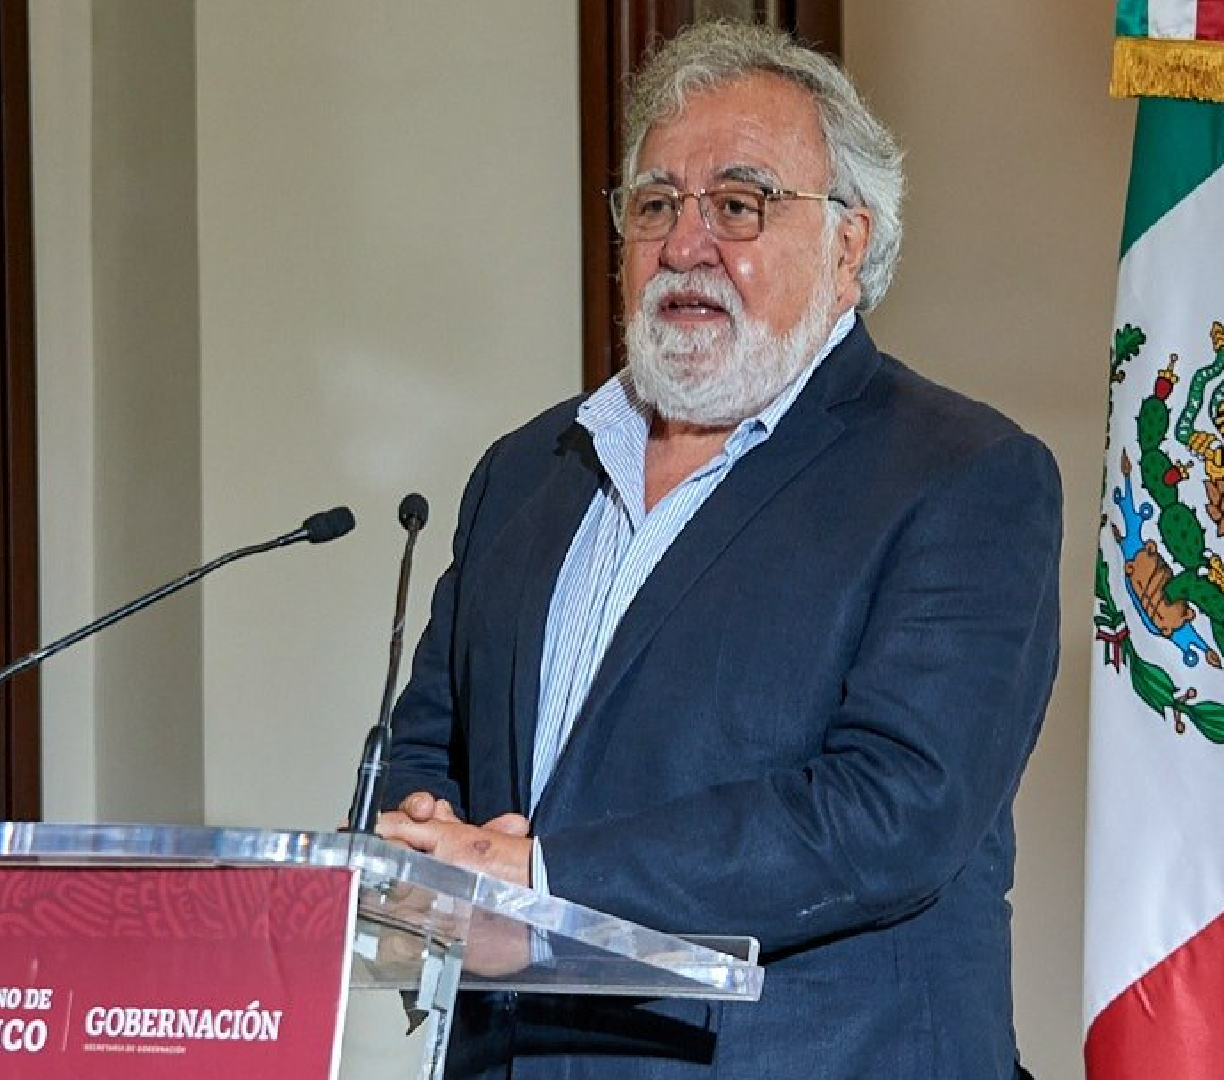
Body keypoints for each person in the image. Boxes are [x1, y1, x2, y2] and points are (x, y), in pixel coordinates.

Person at [377, 21, 1061, 1080]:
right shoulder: (527, 471)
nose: (685, 245)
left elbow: (894, 809)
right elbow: (432, 741)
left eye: (738, 205)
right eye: (655, 204)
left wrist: (539, 879)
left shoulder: (962, 475)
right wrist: (423, 839)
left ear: (848, 244)